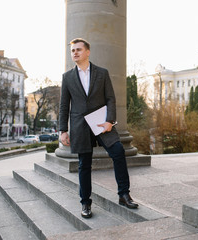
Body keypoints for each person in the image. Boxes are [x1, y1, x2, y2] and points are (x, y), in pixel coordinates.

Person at [59, 38, 138, 219]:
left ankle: (124, 195)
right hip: (79, 125)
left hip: (102, 122)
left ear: (87, 52)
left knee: (118, 152)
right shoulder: (68, 77)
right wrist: (63, 130)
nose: (75, 53)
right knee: (84, 165)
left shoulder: (102, 73)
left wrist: (110, 120)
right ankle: (85, 202)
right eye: (73, 51)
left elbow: (110, 98)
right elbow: (64, 105)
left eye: (79, 50)